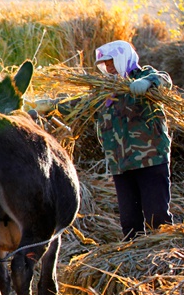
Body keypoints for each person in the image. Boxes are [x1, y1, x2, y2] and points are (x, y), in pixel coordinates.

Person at [36, 40, 174, 240]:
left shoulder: (142, 76)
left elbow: (164, 80)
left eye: (112, 62)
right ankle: (135, 259)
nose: (108, 68)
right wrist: (49, 106)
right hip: (121, 165)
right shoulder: (104, 90)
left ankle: (164, 252)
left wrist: (146, 83)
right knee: (130, 223)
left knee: (157, 217)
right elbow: (79, 105)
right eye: (105, 64)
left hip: (150, 160)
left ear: (122, 58)